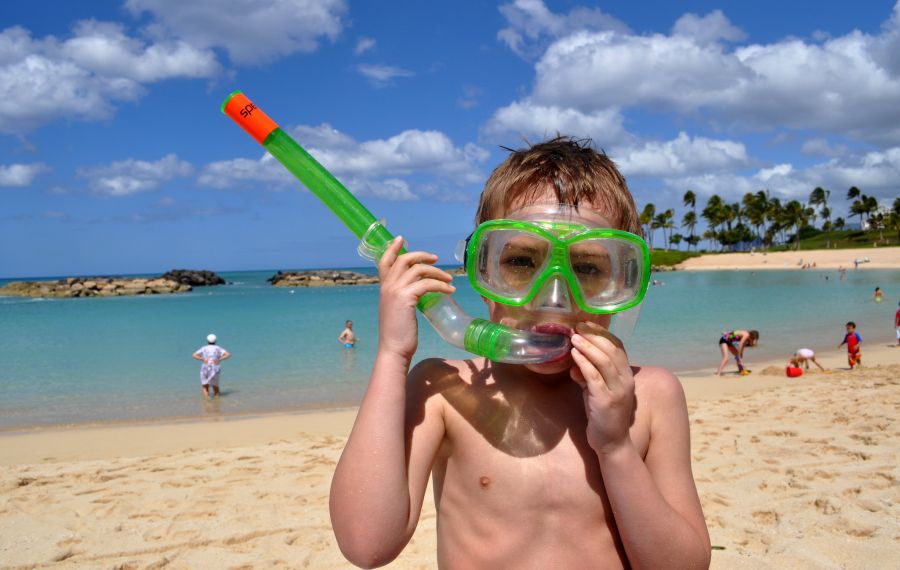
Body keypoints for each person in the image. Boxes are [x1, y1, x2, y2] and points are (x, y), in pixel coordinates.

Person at [330, 137, 711, 568]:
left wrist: (616, 446)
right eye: (522, 263)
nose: (553, 297)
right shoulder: (444, 391)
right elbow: (367, 544)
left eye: (586, 268)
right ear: (481, 267)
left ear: (622, 283)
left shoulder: (651, 397)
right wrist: (392, 356)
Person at [192, 333, 230, 399]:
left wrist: (202, 359)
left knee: (205, 386)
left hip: (205, 367)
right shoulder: (218, 348)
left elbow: (194, 355)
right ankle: (217, 403)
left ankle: (207, 403)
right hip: (215, 367)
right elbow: (227, 354)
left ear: (207, 340)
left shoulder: (204, 348)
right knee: (215, 386)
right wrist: (219, 359)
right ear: (215, 341)